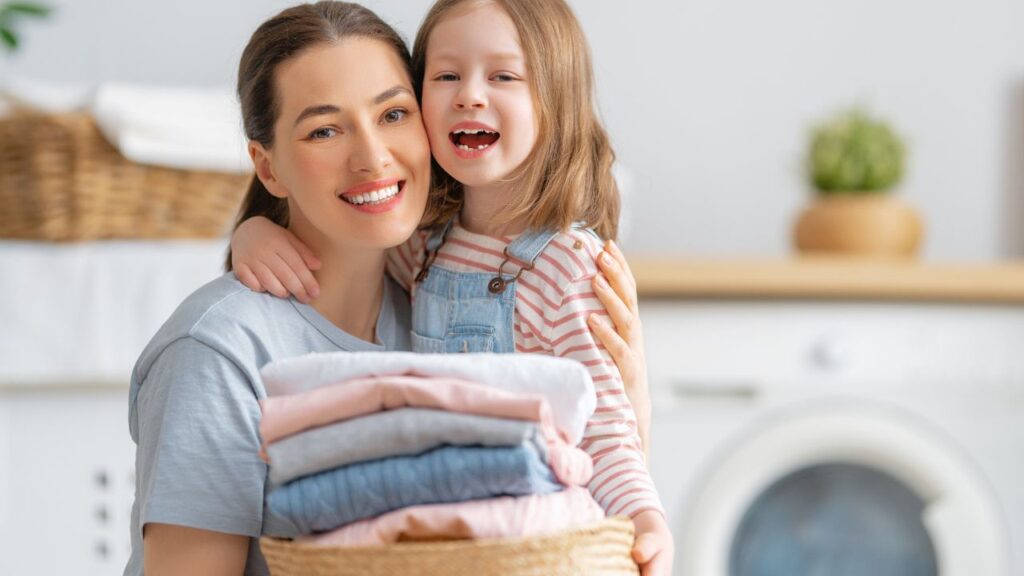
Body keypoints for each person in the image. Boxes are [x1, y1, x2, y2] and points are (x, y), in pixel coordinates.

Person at [126, 3, 649, 575]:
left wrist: (632, 394)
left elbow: (570, 522)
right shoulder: (218, 353)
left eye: (394, 114)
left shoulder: (435, 304)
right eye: (324, 130)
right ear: (267, 168)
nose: (372, 157)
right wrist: (252, 231)